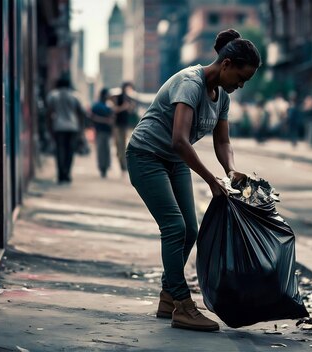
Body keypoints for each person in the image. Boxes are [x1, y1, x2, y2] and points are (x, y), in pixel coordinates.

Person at [125, 28, 260, 332]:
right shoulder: (190, 83)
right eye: (240, 78)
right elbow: (180, 141)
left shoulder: (221, 96)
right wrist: (211, 180)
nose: (240, 86)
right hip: (145, 155)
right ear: (226, 64)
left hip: (173, 162)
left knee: (190, 230)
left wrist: (230, 170)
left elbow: (222, 142)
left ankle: (167, 296)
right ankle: (183, 305)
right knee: (174, 227)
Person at [46, 75, 86, 184]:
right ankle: (67, 173)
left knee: (60, 151)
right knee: (70, 151)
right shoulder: (75, 96)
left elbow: (49, 113)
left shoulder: (53, 95)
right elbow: (81, 113)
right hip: (73, 127)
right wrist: (81, 129)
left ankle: (60, 174)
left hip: (58, 126)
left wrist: (49, 127)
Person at [114, 82, 139, 174]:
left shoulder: (129, 98)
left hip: (124, 124)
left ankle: (124, 166)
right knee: (119, 145)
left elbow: (130, 111)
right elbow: (115, 109)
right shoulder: (119, 97)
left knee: (123, 145)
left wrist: (130, 107)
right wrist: (123, 107)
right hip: (117, 124)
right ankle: (122, 164)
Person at [90, 88, 115, 178]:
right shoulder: (97, 106)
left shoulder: (108, 106)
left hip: (106, 131)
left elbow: (112, 119)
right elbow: (92, 117)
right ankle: (102, 168)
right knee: (102, 150)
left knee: (106, 150)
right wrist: (105, 120)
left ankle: (105, 168)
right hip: (100, 131)